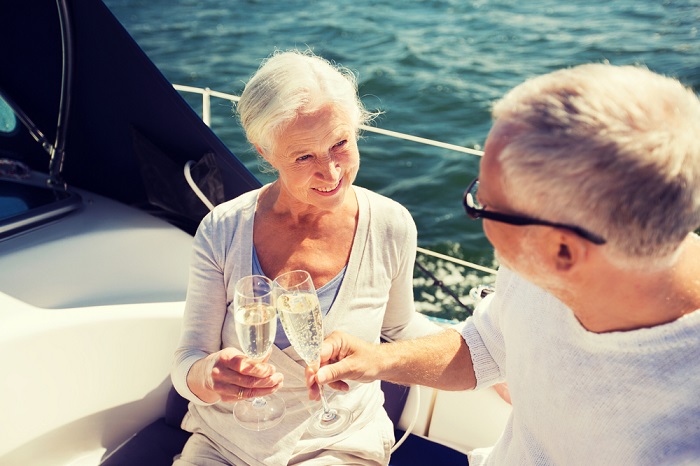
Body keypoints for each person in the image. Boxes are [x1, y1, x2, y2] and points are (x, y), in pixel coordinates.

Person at [310, 63, 700, 465]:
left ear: (563, 252)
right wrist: (378, 360)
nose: (475, 209)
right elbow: (488, 345)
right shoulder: (545, 261)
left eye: (485, 205)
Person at [171, 49, 441, 466]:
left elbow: (400, 326)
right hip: (224, 443)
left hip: (341, 442)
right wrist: (208, 376)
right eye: (304, 157)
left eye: (340, 144)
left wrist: (488, 353)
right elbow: (189, 357)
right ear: (265, 152)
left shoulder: (391, 225)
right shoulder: (222, 229)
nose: (331, 173)